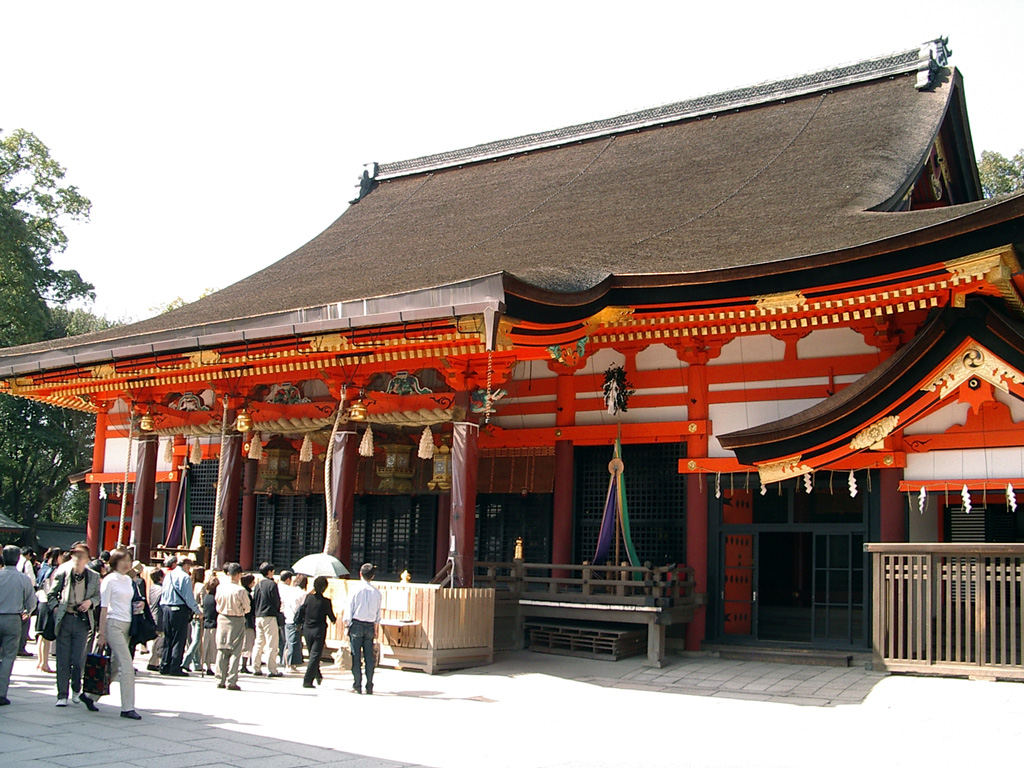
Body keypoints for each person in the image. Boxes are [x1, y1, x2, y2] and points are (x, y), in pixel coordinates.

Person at [47, 542, 100, 709]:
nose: (77, 559)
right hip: (66, 617)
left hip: (82, 620)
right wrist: (56, 608)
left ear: (87, 559)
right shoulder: (63, 572)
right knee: (63, 659)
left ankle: (76, 689)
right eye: (75, 555)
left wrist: (89, 602)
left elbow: (98, 597)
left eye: (81, 556)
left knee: (78, 659)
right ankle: (62, 694)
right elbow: (51, 594)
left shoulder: (93, 576)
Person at [96, 549, 141, 719]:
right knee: (126, 664)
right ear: (115, 561)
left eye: (129, 560)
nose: (127, 563)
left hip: (127, 623)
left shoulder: (129, 581)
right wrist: (101, 633)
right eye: (123, 560)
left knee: (115, 665)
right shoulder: (109, 580)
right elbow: (104, 608)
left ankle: (91, 696)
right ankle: (127, 707)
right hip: (113, 623)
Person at [0, 544, 38, 706]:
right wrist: (27, 612)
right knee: (8, 657)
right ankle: (1, 693)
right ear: (17, 559)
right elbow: (32, 601)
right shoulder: (23, 579)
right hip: (13, 618)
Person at [159, 555, 200, 676]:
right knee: (178, 639)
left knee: (168, 638)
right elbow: (188, 597)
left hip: (166, 608)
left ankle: (164, 664)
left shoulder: (168, 575)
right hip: (179, 609)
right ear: (186, 565)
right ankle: (175, 667)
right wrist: (197, 610)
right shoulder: (185, 577)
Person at [344, 563, 382, 695]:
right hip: (370, 625)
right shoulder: (377, 593)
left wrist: (346, 625)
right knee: (369, 657)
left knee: (355, 656)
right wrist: (376, 628)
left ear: (360, 574)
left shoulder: (355, 590)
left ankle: (357, 684)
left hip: (356, 624)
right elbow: (378, 614)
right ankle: (369, 685)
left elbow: (349, 609)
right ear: (373, 576)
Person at [214, 563, 250, 690]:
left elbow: (217, 601)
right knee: (235, 650)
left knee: (222, 648)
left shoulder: (220, 588)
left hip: (222, 617)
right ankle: (232, 680)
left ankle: (219, 678)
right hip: (237, 618)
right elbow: (247, 608)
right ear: (239, 575)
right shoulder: (240, 590)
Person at [299, 576, 336, 689]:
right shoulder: (326, 602)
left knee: (312, 654)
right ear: (325, 588)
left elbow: (302, 610)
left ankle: (317, 674)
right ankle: (307, 680)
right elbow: (332, 617)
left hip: (307, 629)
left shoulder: (308, 598)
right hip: (319, 630)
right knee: (315, 655)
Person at [251, 562, 283, 677]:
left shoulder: (257, 585)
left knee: (259, 642)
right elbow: (276, 601)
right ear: (269, 572)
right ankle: (272, 669)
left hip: (258, 615)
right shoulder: (272, 585)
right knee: (271, 643)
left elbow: (254, 600)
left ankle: (255, 666)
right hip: (269, 616)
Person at [34, 547, 62, 673]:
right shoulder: (54, 571)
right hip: (48, 603)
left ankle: (40, 661)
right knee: (46, 636)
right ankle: (44, 662)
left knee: (41, 635)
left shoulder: (43, 568)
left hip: (41, 601)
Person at [277, 570, 305, 672]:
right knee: (294, 642)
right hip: (295, 620)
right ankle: (291, 664)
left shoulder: (289, 591)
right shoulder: (302, 593)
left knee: (288, 642)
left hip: (287, 618)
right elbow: (302, 607)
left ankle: (286, 663)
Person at [181, 564, 206, 672]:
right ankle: (186, 661)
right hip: (199, 613)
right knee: (196, 640)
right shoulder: (201, 586)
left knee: (191, 639)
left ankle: (197, 664)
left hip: (191, 613)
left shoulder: (190, 584)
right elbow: (203, 601)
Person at [17, 547, 36, 657]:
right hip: (22, 593)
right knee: (25, 620)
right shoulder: (26, 563)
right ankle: (21, 646)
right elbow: (32, 580)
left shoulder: (16, 561)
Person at [199, 574, 219, 676]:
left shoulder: (206, 597)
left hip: (206, 624)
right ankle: (213, 666)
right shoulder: (217, 598)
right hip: (215, 624)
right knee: (214, 648)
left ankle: (207, 665)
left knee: (206, 647)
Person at [146, 568, 164, 671]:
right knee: (159, 638)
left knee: (157, 639)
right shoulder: (161, 589)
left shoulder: (152, 588)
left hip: (153, 613)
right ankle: (153, 661)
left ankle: (154, 661)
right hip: (159, 615)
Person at [240, 573, 256, 673]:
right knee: (247, 643)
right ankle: (244, 665)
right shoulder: (245, 593)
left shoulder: (245, 592)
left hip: (245, 620)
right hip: (247, 621)